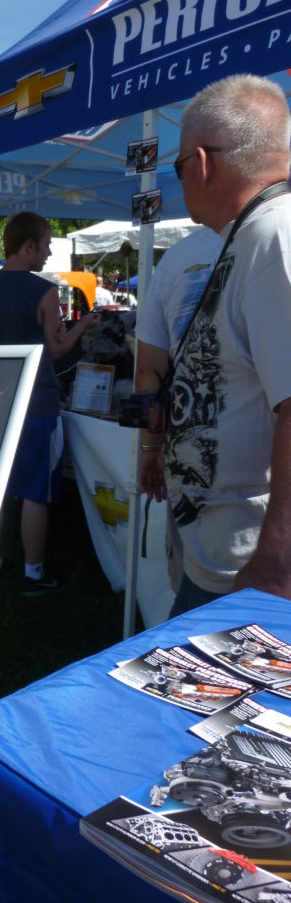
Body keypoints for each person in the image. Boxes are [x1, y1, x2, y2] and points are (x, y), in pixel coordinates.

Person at [146, 73, 291, 613]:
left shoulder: (276, 235)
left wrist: (277, 561)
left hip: (248, 564)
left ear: (202, 163)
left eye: (179, 166)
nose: (181, 180)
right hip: (224, 550)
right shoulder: (258, 233)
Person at [0, 212, 100, 595]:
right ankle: (33, 572)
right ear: (28, 245)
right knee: (35, 491)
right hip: (35, 401)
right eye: (45, 245)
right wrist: (84, 325)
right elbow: (58, 350)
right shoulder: (42, 291)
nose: (46, 254)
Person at [135, 227, 223, 596]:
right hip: (263, 466)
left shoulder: (176, 258)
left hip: (191, 457)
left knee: (193, 583)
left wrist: (150, 449)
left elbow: (148, 373)